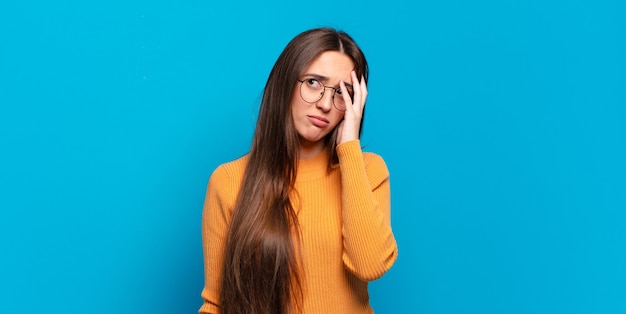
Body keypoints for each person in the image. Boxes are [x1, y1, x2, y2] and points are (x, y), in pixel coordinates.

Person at [200, 27, 398, 314]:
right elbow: (217, 303)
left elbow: (370, 264)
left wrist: (350, 148)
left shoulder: (367, 171)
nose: (326, 104)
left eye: (344, 93)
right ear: (285, 83)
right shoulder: (230, 181)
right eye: (314, 82)